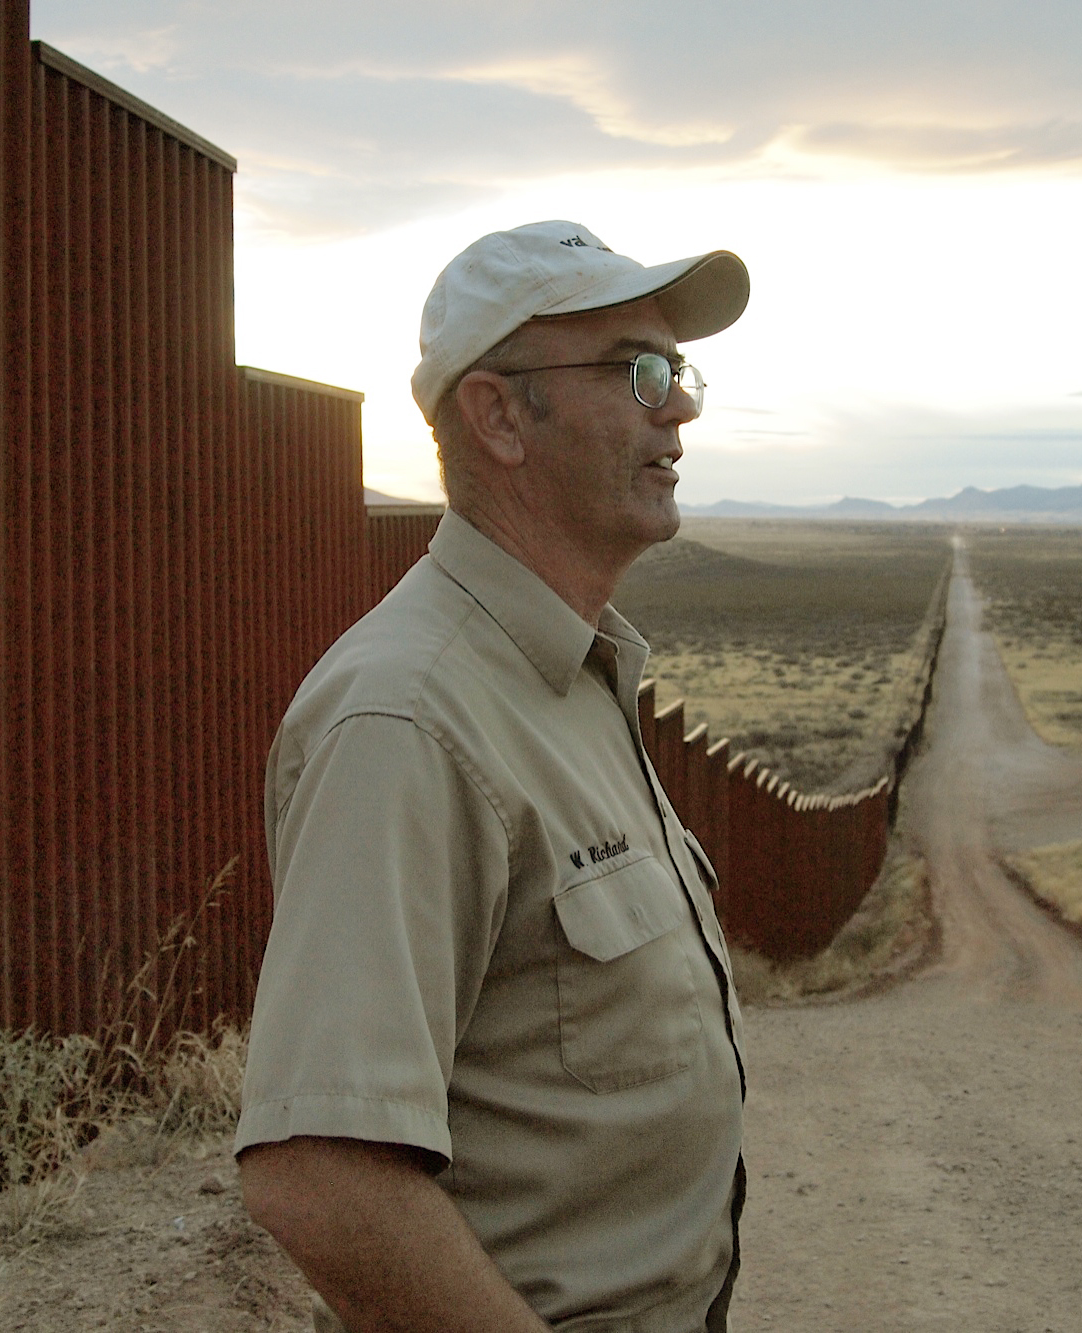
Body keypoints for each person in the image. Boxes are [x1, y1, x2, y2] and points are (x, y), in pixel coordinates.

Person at [233, 220, 752, 1333]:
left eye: (678, 370)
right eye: (638, 370)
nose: (680, 407)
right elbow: (320, 1176)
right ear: (500, 416)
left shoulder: (566, 678)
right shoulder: (409, 718)